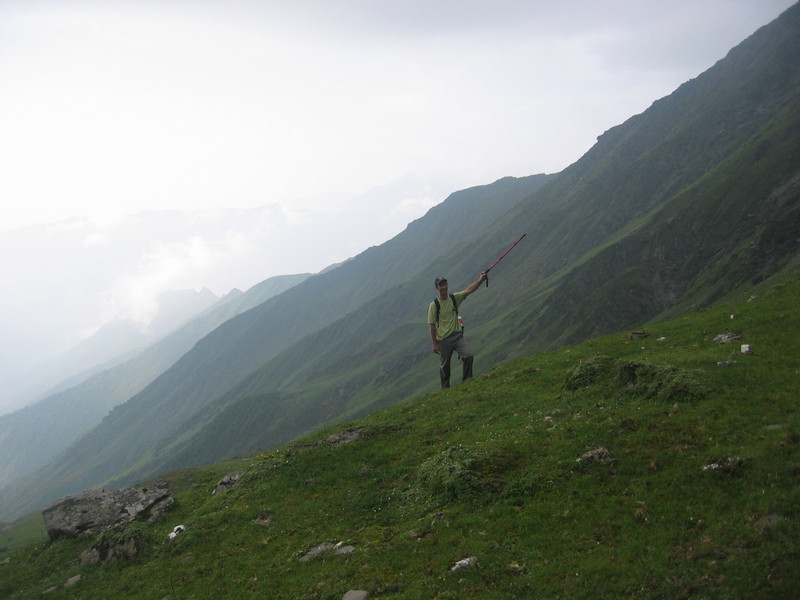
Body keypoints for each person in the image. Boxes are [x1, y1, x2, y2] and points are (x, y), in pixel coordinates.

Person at [427, 272, 487, 388]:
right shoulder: (434, 305)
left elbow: (469, 290)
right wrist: (435, 344)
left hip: (457, 336)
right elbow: (432, 326)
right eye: (441, 285)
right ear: (437, 288)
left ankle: (467, 382)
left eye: (445, 284)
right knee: (445, 366)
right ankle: (446, 389)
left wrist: (481, 280)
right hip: (443, 340)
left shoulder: (454, 298)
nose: (443, 287)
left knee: (468, 356)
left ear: (447, 285)